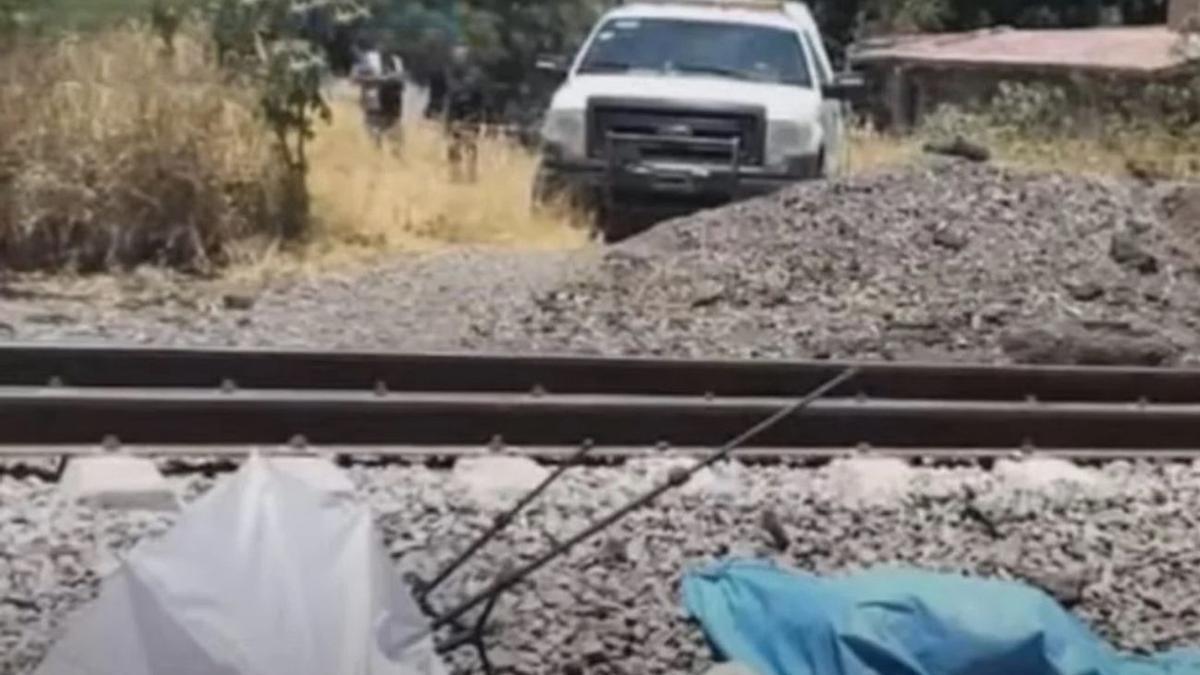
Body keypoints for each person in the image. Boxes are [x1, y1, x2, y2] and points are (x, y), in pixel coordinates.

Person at [441, 44, 487, 182]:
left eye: (461, 55)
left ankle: (471, 175)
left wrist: (476, 118)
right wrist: (447, 120)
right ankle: (455, 175)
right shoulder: (451, 73)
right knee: (453, 147)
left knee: (470, 147)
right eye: (456, 56)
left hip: (471, 116)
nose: (458, 58)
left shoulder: (475, 74)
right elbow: (450, 95)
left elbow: (477, 97)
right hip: (454, 115)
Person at [351, 37, 406, 147]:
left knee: (396, 143)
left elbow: (402, 82)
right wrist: (378, 80)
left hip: (393, 105)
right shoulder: (368, 59)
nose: (387, 46)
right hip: (374, 103)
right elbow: (355, 78)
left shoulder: (397, 61)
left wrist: (394, 80)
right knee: (374, 140)